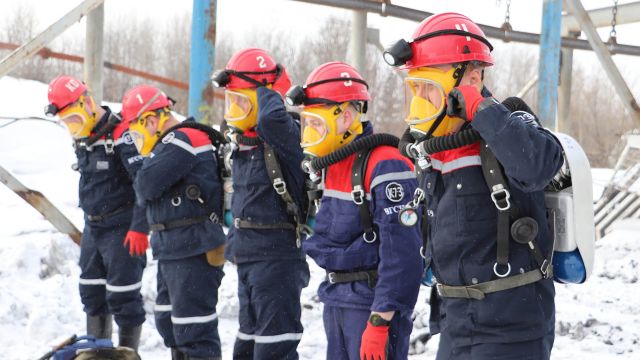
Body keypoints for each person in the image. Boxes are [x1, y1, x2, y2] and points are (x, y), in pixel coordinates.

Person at [383, 12, 564, 359]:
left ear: (473, 77)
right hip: (455, 322)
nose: (421, 102)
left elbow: (540, 164)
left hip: (512, 327)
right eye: (415, 90)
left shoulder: (511, 123)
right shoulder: (438, 147)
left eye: (429, 90)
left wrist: (481, 108)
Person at [285, 61, 423, 360]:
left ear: (346, 116)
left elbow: (403, 254)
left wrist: (379, 320)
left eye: (316, 123)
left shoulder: (386, 164)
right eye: (307, 123)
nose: (309, 132)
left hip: (371, 306)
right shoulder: (332, 165)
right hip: (337, 300)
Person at [211, 48, 310, 360]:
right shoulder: (245, 144)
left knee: (274, 350)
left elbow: (270, 118)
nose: (234, 110)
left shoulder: (285, 135)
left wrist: (270, 88)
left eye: (242, 100)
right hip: (249, 256)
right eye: (232, 101)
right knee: (247, 346)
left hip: (277, 260)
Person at [121, 85, 226, 360]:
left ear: (151, 120)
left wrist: (140, 162)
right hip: (175, 248)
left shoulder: (181, 140)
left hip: (193, 248)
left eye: (136, 130)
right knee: (170, 323)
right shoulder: (172, 142)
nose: (136, 138)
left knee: (194, 332)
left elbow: (145, 185)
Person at [45, 75, 147, 350]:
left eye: (75, 119)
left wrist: (140, 226)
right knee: (91, 292)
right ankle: (100, 353)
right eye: (67, 123)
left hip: (122, 226)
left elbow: (144, 184)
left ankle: (127, 354)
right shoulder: (83, 138)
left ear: (87, 102)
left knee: (123, 296)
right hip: (93, 227)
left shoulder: (121, 135)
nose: (73, 127)